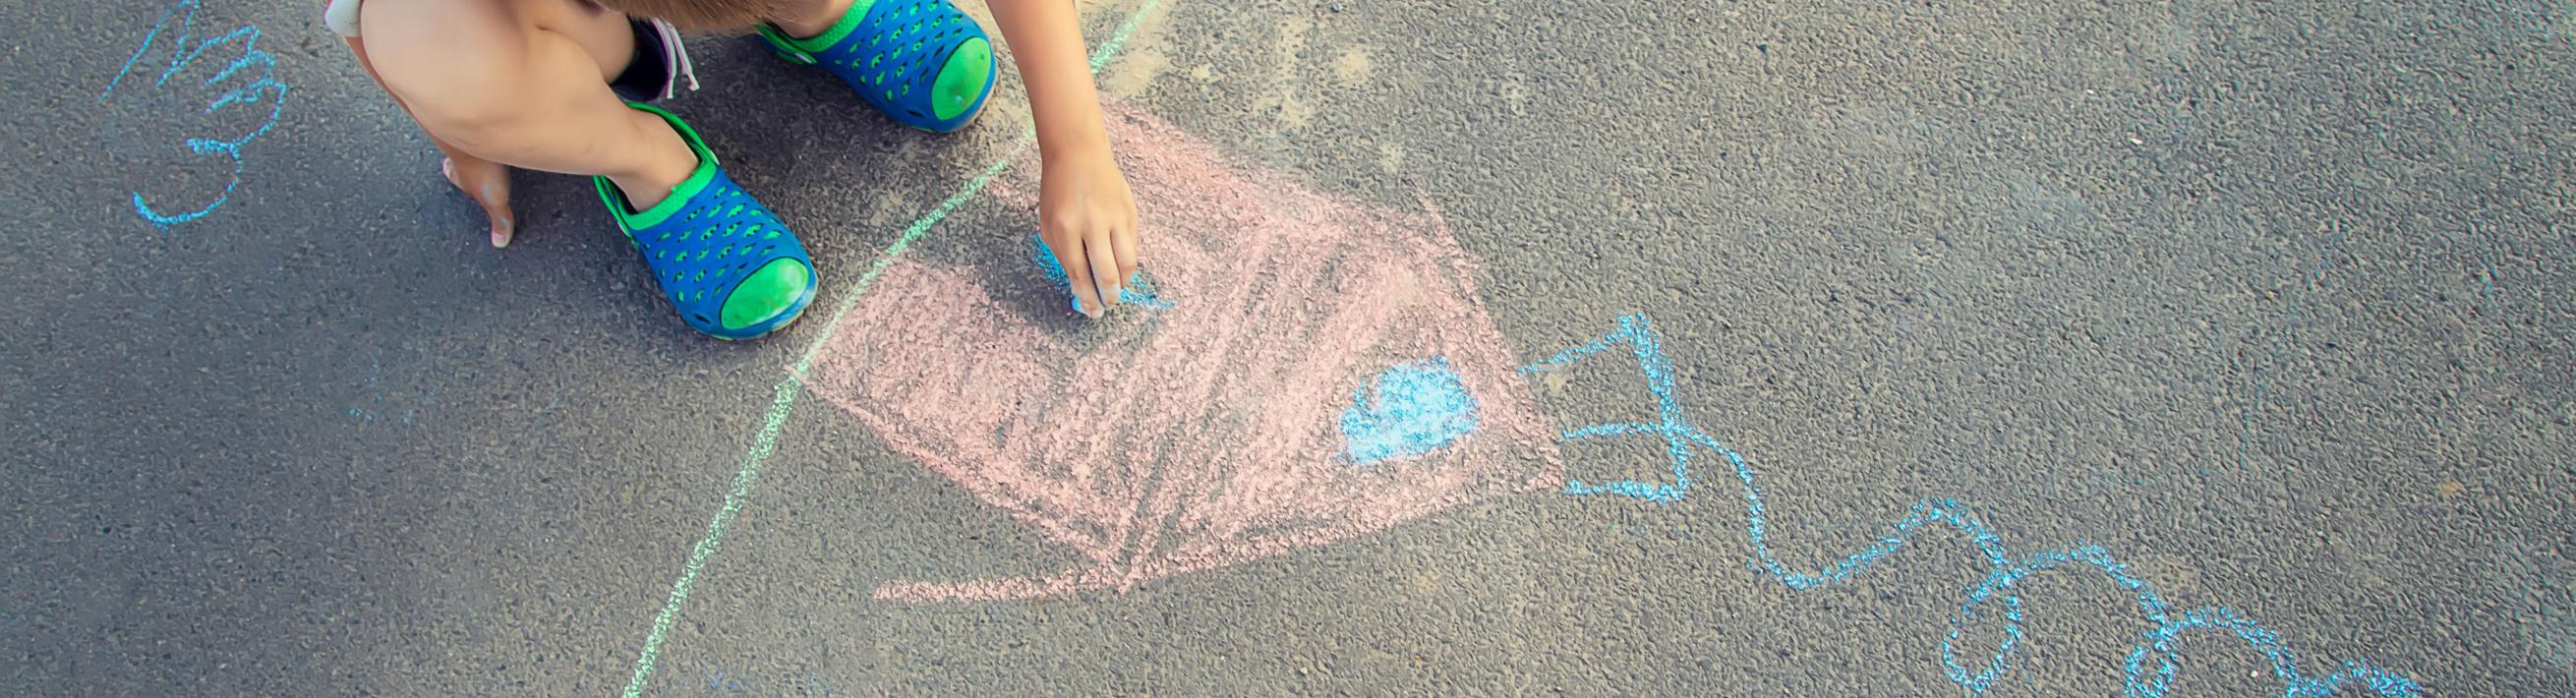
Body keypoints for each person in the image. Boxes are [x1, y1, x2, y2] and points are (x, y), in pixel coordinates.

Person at [325, 0, 1140, 339]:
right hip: (565, 20)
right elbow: (369, 20)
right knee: (434, 45)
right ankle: (649, 161)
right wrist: (461, 126)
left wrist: (1077, 146)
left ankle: (811, 7)